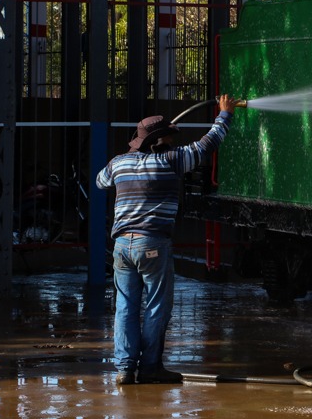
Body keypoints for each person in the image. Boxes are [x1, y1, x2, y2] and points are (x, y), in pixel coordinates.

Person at [96, 94, 240, 385]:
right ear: (160, 144)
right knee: (156, 306)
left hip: (122, 246)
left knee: (125, 307)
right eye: (169, 140)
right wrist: (224, 114)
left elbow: (101, 181)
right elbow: (206, 146)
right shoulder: (170, 162)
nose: (173, 144)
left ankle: (125, 369)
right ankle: (150, 368)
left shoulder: (119, 163)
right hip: (152, 244)